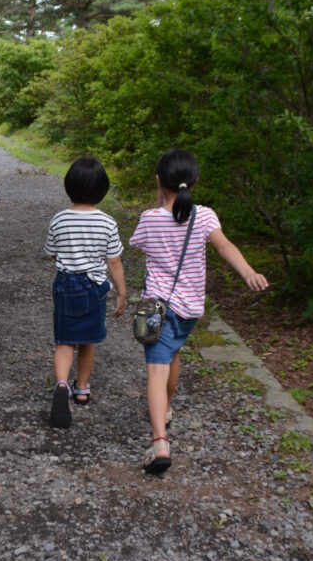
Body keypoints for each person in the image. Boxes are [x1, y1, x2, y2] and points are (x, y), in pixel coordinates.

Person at [130, 148, 268, 474]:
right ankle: (165, 410)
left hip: (157, 309)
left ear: (158, 180)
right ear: (195, 182)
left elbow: (142, 244)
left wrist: (160, 202)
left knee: (156, 370)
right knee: (173, 353)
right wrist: (247, 271)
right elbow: (224, 246)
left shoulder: (150, 219)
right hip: (190, 310)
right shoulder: (205, 216)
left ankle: (159, 442)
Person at [44, 156, 126, 428]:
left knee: (65, 341)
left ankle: (61, 384)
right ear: (102, 190)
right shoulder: (107, 222)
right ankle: (81, 388)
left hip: (66, 283)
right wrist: (122, 293)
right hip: (94, 287)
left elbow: (50, 252)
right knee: (88, 340)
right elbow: (113, 261)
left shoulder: (59, 219)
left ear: (69, 186)